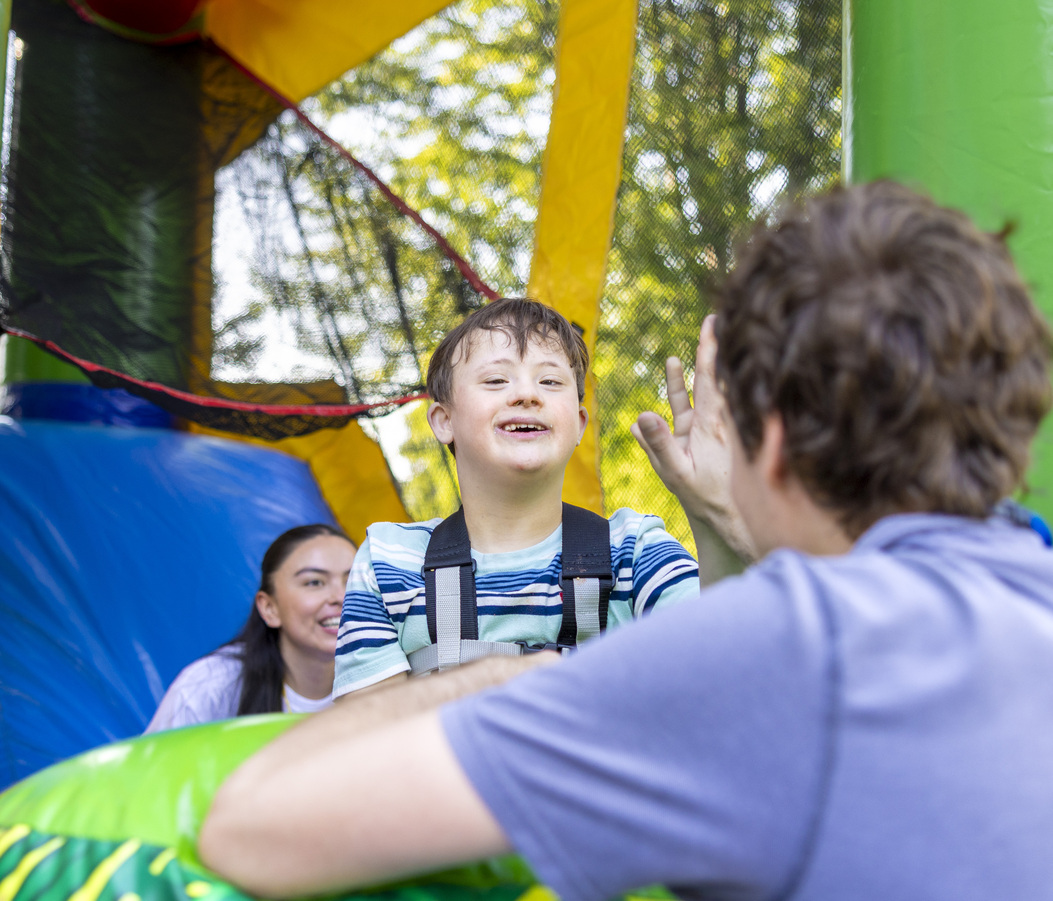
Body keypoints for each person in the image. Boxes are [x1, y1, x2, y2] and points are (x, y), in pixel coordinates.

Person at [199, 181, 1053, 901]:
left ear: (773, 441)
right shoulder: (1025, 581)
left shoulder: (784, 646)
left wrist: (510, 674)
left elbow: (253, 828)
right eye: (495, 380)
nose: (521, 395)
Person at [333, 297, 701, 697]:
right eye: (496, 381)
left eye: (550, 382)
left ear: (579, 425)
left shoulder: (633, 550)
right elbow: (365, 735)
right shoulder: (388, 562)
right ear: (443, 421)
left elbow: (726, 662)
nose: (527, 394)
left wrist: (712, 519)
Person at [145, 524, 356, 730]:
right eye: (314, 582)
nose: (341, 597)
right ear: (269, 608)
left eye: (355, 581)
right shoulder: (210, 685)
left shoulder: (385, 684)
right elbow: (154, 765)